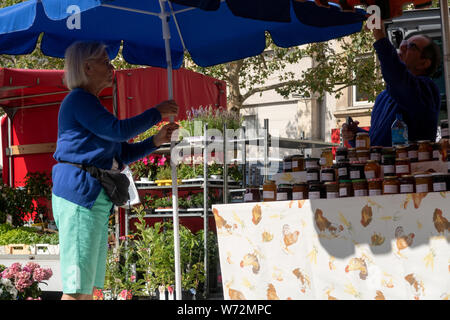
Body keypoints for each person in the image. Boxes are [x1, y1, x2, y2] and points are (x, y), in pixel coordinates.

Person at [51, 41, 179, 300]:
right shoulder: (79, 100)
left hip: (90, 197)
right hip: (80, 196)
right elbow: (119, 132)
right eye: (106, 62)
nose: (112, 68)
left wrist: (156, 140)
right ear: (87, 67)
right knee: (77, 289)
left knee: (86, 287)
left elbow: (123, 154)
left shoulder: (91, 104)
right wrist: (156, 113)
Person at [342, 20, 441, 147]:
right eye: (404, 43)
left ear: (424, 63)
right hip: (384, 166)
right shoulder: (383, 96)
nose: (402, 46)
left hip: (411, 166)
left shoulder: (427, 90)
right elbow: (377, 144)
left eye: (412, 46)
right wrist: (357, 135)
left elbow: (398, 77)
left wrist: (380, 37)